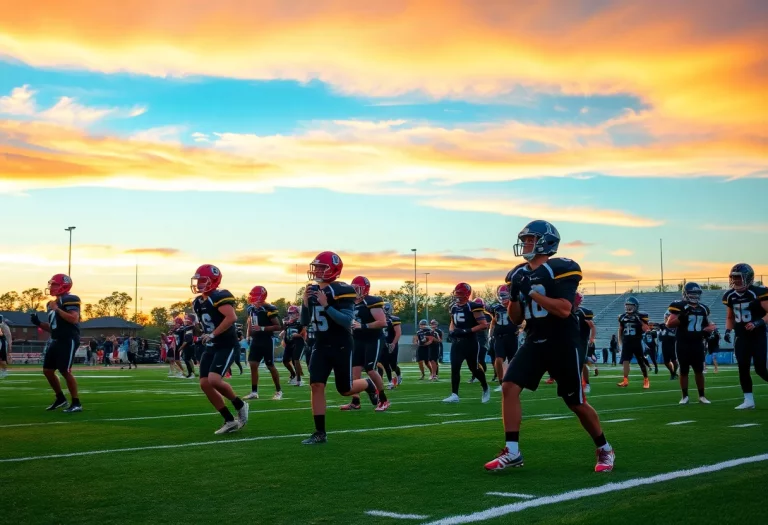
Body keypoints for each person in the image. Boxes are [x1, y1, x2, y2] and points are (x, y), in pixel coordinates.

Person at [484, 220, 614, 473]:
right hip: (534, 339)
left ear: (546, 242)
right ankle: (512, 451)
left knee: (575, 402)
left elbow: (564, 310)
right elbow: (515, 319)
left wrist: (531, 292)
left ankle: (605, 448)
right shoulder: (519, 273)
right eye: (524, 240)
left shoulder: (561, 268)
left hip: (563, 341)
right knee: (509, 386)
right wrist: (514, 295)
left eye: (531, 239)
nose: (525, 244)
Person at [300, 251, 379, 445]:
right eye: (316, 267)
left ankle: (368, 384)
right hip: (320, 344)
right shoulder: (312, 289)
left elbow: (347, 320)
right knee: (316, 385)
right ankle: (320, 432)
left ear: (333, 269)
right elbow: (303, 321)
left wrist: (326, 306)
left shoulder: (342, 289)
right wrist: (304, 303)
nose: (317, 270)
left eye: (322, 267)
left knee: (345, 390)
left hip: (341, 344)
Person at [191, 264, 248, 434]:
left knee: (214, 380)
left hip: (226, 344)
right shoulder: (197, 302)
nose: (199, 283)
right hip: (211, 345)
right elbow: (206, 325)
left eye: (203, 280)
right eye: (198, 280)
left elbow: (231, 317)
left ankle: (240, 404)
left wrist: (213, 334)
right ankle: (229, 420)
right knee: (204, 383)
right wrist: (203, 334)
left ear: (213, 281)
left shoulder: (219, 296)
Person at [31, 273, 83, 412]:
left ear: (64, 285)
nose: (51, 287)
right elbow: (53, 327)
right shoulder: (51, 304)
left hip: (69, 339)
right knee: (47, 370)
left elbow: (73, 319)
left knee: (65, 371)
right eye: (52, 284)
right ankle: (60, 398)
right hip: (56, 339)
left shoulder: (70, 299)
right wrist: (38, 323)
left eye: (55, 284)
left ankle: (76, 403)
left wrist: (57, 309)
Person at [722, 263, 768, 410]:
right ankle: (748, 400)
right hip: (741, 336)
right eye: (734, 278)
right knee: (743, 367)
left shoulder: (758, 292)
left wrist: (758, 322)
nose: (735, 281)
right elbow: (730, 317)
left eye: (739, 278)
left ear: (748, 278)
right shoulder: (729, 295)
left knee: (760, 368)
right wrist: (728, 331)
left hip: (758, 335)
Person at [345, 276, 390, 411]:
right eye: (352, 288)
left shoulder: (371, 301)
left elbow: (382, 322)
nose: (354, 290)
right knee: (355, 371)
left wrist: (363, 326)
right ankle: (355, 401)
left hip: (373, 339)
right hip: (358, 339)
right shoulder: (350, 303)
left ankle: (383, 399)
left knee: (370, 369)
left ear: (365, 289)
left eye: (357, 288)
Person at [443, 282, 490, 403]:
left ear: (466, 294)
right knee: (455, 367)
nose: (457, 296)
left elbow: (484, 325)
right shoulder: (453, 306)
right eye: (456, 293)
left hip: (470, 342)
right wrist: (451, 331)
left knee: (474, 368)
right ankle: (454, 394)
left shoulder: (473, 306)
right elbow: (452, 322)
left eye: (460, 293)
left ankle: (485, 386)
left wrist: (466, 330)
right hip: (457, 343)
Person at [667, 282, 714, 404]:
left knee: (699, 371)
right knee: (684, 371)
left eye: (697, 293)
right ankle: (684, 396)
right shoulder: (679, 306)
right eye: (692, 293)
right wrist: (682, 316)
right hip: (683, 342)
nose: (694, 296)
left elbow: (708, 324)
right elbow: (669, 324)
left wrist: (709, 329)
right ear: (685, 294)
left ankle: (702, 396)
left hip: (697, 343)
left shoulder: (703, 308)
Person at [243, 286, 284, 401]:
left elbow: (278, 326)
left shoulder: (269, 308)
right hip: (256, 340)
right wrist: (248, 335)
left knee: (270, 366)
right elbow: (250, 321)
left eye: (254, 296)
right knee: (253, 365)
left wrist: (261, 328)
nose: (252, 298)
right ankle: (254, 392)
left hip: (267, 339)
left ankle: (278, 391)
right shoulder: (251, 308)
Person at [616, 296, 651, 389]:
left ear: (636, 306)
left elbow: (646, 329)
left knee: (641, 361)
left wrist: (639, 320)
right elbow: (620, 330)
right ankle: (625, 380)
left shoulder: (641, 316)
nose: (628, 307)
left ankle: (646, 380)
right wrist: (620, 342)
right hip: (626, 342)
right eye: (627, 305)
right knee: (625, 362)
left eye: (631, 305)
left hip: (637, 342)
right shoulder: (622, 317)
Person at [489, 285, 518, 393]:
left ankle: (513, 381)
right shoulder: (496, 308)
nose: (503, 298)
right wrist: (490, 334)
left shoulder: (515, 305)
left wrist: (520, 329)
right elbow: (493, 321)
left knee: (513, 361)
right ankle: (501, 381)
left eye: (504, 295)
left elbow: (523, 319)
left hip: (512, 336)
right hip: (499, 336)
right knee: (498, 359)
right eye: (501, 295)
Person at [282, 305, 306, 386]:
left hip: (298, 342)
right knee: (285, 360)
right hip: (289, 343)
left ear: (297, 314)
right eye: (290, 313)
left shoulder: (301, 322)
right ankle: (293, 374)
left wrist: (297, 335)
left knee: (296, 359)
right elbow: (285, 332)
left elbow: (304, 334)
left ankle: (299, 380)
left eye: (293, 313)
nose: (291, 315)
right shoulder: (288, 323)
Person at [381, 303, 402, 388]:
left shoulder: (393, 319)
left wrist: (393, 343)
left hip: (391, 343)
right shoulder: (378, 319)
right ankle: (390, 381)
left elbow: (398, 332)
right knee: (384, 363)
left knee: (393, 364)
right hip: (382, 344)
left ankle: (399, 375)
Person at [658, 314, 679, 379]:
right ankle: (672, 373)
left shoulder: (676, 327)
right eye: (665, 317)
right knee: (666, 362)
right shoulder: (663, 326)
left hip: (673, 345)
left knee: (674, 360)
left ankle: (674, 373)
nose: (666, 319)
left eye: (667, 317)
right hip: (664, 345)